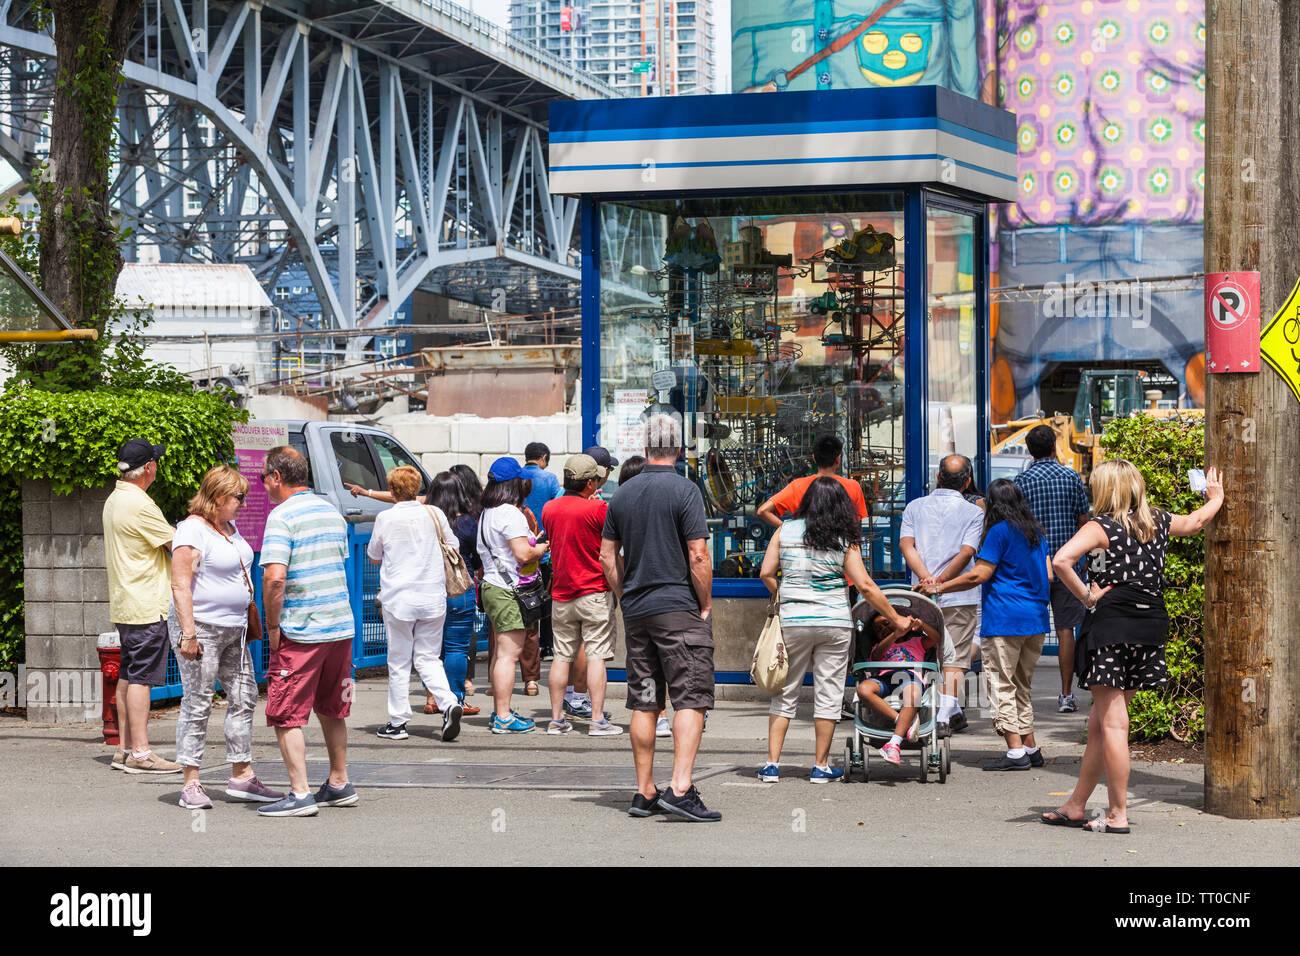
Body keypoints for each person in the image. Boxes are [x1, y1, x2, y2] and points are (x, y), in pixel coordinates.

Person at [1042, 462, 1224, 834]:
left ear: (1104, 489)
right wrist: (1216, 498)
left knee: (1111, 723)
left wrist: (1087, 597)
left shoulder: (1099, 526)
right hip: (1150, 624)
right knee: (1101, 722)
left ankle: (1117, 814)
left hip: (1112, 624)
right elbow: (1193, 523)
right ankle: (1076, 805)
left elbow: (1061, 560)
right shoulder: (1156, 520)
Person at [601, 408, 720, 822]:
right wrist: (704, 602)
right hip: (678, 609)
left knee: (645, 700)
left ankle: (644, 791)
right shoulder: (686, 491)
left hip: (638, 613)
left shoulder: (622, 493)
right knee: (691, 696)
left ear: (646, 448)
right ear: (679, 449)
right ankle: (681, 788)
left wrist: (625, 596)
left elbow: (607, 558)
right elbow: (699, 555)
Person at [758, 476, 914, 782]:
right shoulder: (845, 537)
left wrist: (785, 593)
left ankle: (772, 765)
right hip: (834, 623)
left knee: (785, 691)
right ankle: (821, 766)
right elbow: (866, 586)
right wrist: (895, 618)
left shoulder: (784, 530)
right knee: (828, 693)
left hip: (794, 620)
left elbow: (766, 572)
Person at [169, 465, 284, 808]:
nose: (243, 503)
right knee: (198, 701)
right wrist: (188, 633)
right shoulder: (192, 530)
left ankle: (242, 775)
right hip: (201, 627)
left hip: (234, 627)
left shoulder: (228, 528)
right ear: (217, 496)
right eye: (238, 497)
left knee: (245, 696)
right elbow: (180, 585)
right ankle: (191, 782)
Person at [921, 479, 1052, 771]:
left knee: (1000, 684)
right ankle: (1031, 747)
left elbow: (977, 575)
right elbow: (1049, 576)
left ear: (993, 504)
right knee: (1021, 685)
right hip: (1036, 619)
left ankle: (1015, 752)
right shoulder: (1036, 534)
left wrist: (940, 587)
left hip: (1005, 618)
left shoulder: (998, 532)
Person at [257, 446, 358, 817]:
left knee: (285, 711)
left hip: (303, 629)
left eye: (264, 477)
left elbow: (275, 578)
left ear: (277, 477)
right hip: (339, 625)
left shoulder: (281, 517)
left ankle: (300, 794)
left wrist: (272, 626)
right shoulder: (331, 512)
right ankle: (339, 782)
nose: (263, 485)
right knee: (333, 709)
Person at [368, 465, 464, 743]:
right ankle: (448, 703)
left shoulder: (385, 518)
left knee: (399, 661)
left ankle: (398, 723)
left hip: (399, 599)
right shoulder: (434, 513)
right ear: (418, 487)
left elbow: (374, 554)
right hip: (433, 597)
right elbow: (453, 546)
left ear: (393, 490)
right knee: (428, 657)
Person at [103, 438, 181, 775]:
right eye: (156, 462)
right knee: (142, 680)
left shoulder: (115, 498)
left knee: (129, 675)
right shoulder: (140, 504)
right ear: (148, 467)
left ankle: (123, 749)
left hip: (126, 601)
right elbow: (174, 543)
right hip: (147, 603)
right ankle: (141, 752)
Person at [898, 455, 985, 735]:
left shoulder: (915, 507)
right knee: (956, 657)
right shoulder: (974, 513)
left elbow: (906, 545)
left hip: (919, 597)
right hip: (959, 595)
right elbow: (967, 552)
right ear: (968, 482)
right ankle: (945, 715)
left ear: (937, 476)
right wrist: (941, 581)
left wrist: (926, 579)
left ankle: (949, 710)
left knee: (924, 652)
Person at [541, 454, 623, 737]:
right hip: (594, 592)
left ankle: (555, 719)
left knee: (562, 656)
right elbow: (611, 546)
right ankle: (597, 719)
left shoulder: (549, 509)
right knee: (596, 654)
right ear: (590, 483)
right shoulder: (599, 510)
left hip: (562, 593)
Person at [1014, 424, 1092, 713]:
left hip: (1033, 567)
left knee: (1028, 631)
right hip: (1068, 566)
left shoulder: (1021, 482)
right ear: (1054, 445)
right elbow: (1084, 522)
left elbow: (1015, 525)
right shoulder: (1071, 477)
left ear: (1030, 449)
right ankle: (1066, 694)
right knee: (1065, 630)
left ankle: (1022, 696)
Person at [477, 457, 549, 733]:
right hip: (508, 590)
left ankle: (500, 711)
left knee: (500, 654)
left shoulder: (488, 512)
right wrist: (540, 548)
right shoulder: (510, 513)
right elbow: (522, 554)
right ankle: (504, 717)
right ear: (515, 484)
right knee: (510, 654)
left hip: (492, 586)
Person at [425, 471, 481, 717]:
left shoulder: (423, 520)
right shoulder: (469, 523)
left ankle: (431, 698)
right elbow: (478, 559)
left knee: (430, 649)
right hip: (459, 588)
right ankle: (456, 699)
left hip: (427, 589)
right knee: (456, 648)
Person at [857, 612, 941, 765]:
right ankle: (904, 721)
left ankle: (894, 744)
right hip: (885, 678)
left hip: (909, 677)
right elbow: (876, 656)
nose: (882, 628)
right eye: (878, 628)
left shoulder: (917, 642)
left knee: (914, 694)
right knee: (863, 690)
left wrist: (922, 625)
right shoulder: (879, 646)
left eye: (886, 623)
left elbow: (936, 638)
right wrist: (895, 634)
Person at [756, 434, 868, 527]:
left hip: (807, 548)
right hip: (839, 549)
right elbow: (855, 523)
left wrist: (786, 530)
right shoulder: (853, 486)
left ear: (814, 458)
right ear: (838, 459)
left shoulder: (797, 485)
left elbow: (762, 511)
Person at [522, 442, 563, 660]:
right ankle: (547, 646)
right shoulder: (550, 479)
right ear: (544, 457)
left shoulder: (517, 477)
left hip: (520, 548)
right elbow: (558, 506)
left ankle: (526, 648)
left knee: (523, 598)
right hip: (545, 549)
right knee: (545, 597)